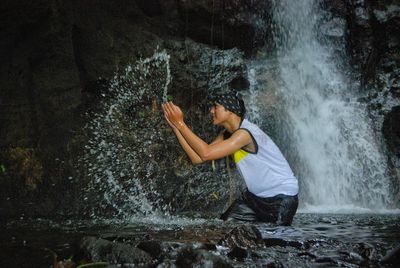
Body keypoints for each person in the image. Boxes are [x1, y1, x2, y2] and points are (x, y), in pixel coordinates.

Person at [161, 91, 299, 225]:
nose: (211, 111)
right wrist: (176, 128)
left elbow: (206, 153)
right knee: (224, 228)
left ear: (230, 110)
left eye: (216, 106)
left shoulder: (245, 133)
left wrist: (181, 124)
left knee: (275, 243)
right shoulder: (227, 134)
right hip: (254, 198)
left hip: (281, 198)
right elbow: (198, 158)